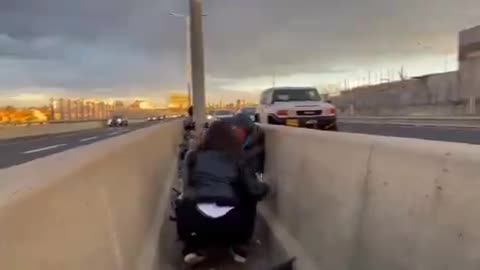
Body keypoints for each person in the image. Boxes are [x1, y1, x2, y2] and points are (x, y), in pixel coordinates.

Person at [176, 120, 269, 265]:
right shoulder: (238, 157)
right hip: (232, 223)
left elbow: (186, 188)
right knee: (248, 196)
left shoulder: (192, 156)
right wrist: (266, 188)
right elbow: (254, 190)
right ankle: (240, 246)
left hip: (195, 222)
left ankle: (191, 248)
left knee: (182, 201)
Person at [230, 113, 266, 244]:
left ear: (244, 129)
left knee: (247, 199)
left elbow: (247, 163)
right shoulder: (245, 140)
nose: (233, 132)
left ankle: (243, 237)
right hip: (241, 179)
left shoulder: (254, 143)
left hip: (247, 181)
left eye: (236, 129)